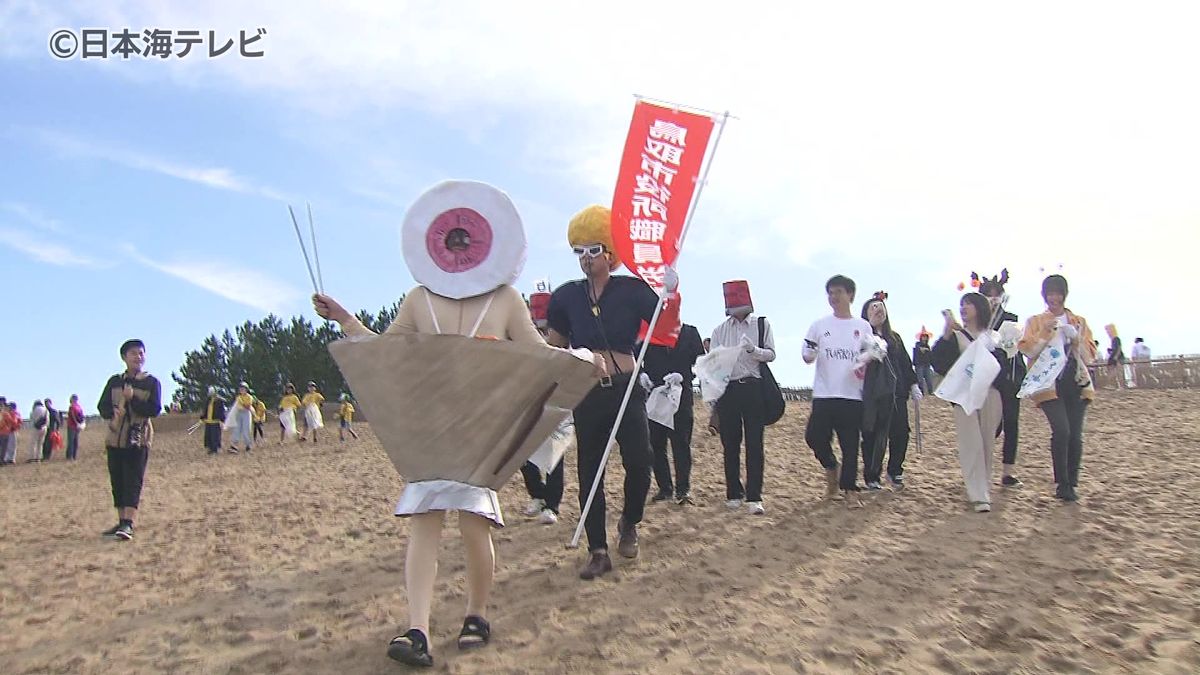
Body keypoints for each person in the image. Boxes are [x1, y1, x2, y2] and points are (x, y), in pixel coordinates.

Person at [313, 180, 601, 667]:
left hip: (481, 431)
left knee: (474, 526)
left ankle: (476, 613)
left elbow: (540, 358)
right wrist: (345, 319)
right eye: (454, 239)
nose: (461, 248)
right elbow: (385, 352)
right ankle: (417, 628)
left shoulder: (506, 299)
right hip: (429, 431)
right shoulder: (418, 299)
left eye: (467, 239)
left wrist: (582, 358)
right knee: (424, 523)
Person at [545, 204, 666, 580]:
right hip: (588, 392)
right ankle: (597, 549)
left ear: (610, 253)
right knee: (590, 472)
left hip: (627, 388)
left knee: (640, 460)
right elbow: (555, 345)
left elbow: (665, 320)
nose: (586, 258)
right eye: (579, 251)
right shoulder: (566, 296)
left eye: (593, 250)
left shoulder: (632, 289)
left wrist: (670, 290)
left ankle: (629, 522)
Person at [1018, 275, 1097, 502]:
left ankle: (1071, 482)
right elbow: (1028, 350)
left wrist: (1076, 339)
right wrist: (1046, 332)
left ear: (1064, 294)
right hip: (1048, 384)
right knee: (1061, 430)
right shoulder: (1035, 321)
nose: (1054, 297)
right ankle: (1061, 482)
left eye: (1057, 293)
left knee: (1075, 435)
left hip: (1076, 382)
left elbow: (1089, 356)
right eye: (1050, 293)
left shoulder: (1078, 321)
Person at [931, 293, 1007, 513]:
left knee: (986, 443)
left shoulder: (993, 336)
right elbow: (939, 362)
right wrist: (946, 331)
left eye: (969, 304)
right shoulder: (957, 336)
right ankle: (978, 494)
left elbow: (1002, 367)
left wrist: (992, 352)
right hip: (965, 396)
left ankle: (983, 486)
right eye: (962, 304)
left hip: (991, 394)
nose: (964, 308)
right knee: (970, 442)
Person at [803, 275, 872, 504]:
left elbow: (870, 353)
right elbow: (807, 354)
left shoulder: (862, 326)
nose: (834, 297)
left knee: (850, 443)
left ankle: (849, 490)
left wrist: (867, 359)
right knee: (814, 436)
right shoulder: (819, 325)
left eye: (839, 292)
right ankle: (831, 466)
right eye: (831, 293)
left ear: (850, 295)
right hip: (824, 393)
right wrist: (810, 353)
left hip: (852, 394)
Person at [710, 281, 776, 515]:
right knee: (730, 442)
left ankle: (754, 496)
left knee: (755, 443)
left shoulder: (760, 324)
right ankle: (733, 493)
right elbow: (713, 364)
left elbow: (771, 354)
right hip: (729, 389)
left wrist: (753, 351)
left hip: (753, 386)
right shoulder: (719, 331)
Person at [97, 339, 162, 540]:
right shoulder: (114, 381)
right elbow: (102, 406)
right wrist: (113, 412)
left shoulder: (151, 382)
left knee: (133, 480)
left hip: (138, 438)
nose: (138, 357)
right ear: (124, 357)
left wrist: (133, 398)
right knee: (118, 479)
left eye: (141, 353)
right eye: (133, 353)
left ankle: (128, 523)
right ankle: (121, 520)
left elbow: (154, 409)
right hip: (115, 438)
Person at [858, 293, 919, 491]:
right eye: (872, 307)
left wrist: (913, 385)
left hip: (897, 393)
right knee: (873, 435)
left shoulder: (895, 338)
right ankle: (872, 475)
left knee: (901, 433)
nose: (878, 310)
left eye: (880, 306)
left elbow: (905, 364)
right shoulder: (861, 338)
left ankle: (895, 471)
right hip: (873, 395)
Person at [642, 321, 704, 507]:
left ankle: (683, 489)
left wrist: (685, 375)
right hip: (655, 394)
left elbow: (702, 362)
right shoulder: (648, 332)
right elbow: (635, 358)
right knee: (656, 444)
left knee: (681, 443)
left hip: (681, 394)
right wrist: (642, 375)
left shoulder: (690, 332)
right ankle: (665, 488)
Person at [977, 270, 1027, 487]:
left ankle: (1008, 472)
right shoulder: (978, 323)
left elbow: (1015, 346)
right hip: (987, 379)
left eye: (996, 294)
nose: (993, 298)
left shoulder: (1010, 320)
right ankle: (981, 466)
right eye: (988, 294)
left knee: (1012, 422)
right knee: (990, 426)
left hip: (1010, 375)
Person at [226, 382, 254, 453]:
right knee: (236, 429)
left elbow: (248, 407)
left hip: (246, 414)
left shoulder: (249, 397)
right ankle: (234, 446)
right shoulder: (238, 397)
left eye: (243, 388)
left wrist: (242, 403)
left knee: (246, 429)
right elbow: (235, 407)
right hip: (239, 414)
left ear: (246, 389)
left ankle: (248, 445)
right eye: (240, 388)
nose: (241, 390)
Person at [200, 387, 226, 455]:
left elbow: (221, 411)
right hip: (208, 421)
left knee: (215, 436)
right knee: (208, 436)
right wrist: (202, 417)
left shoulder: (219, 401)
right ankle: (210, 449)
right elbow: (206, 409)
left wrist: (222, 420)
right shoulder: (208, 400)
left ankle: (215, 450)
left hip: (215, 421)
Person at [912, 330, 935, 395]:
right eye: (923, 336)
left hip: (927, 365)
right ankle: (921, 392)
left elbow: (930, 356)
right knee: (920, 380)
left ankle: (930, 391)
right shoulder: (917, 344)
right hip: (919, 365)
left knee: (929, 379)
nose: (924, 338)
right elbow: (918, 349)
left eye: (926, 337)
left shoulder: (928, 346)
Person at [66, 394, 85, 460]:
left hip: (72, 425)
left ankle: (70, 456)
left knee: (71, 441)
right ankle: (74, 456)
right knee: (75, 441)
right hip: (77, 426)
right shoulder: (79, 407)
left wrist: (76, 423)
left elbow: (72, 415)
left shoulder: (72, 407)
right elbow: (82, 416)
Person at [0, 397, 12, 465]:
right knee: (3, 448)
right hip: (4, 433)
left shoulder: (5, 414)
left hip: (4, 432)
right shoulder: (5, 414)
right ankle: (2, 460)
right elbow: (9, 422)